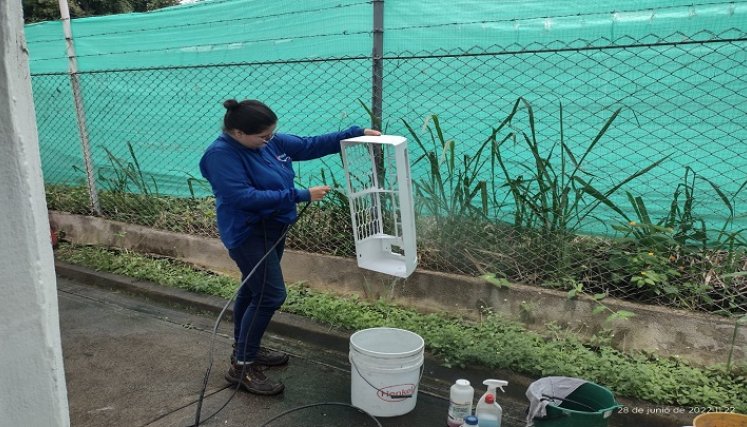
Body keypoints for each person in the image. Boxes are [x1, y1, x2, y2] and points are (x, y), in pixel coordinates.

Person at [199, 99, 381, 395]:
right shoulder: (220, 155)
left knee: (253, 288)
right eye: (263, 136)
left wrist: (354, 133)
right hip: (248, 233)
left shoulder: (269, 143)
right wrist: (300, 195)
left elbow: (309, 145)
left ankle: (246, 350)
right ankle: (242, 367)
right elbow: (242, 197)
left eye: (272, 134)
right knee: (270, 294)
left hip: (274, 228)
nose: (269, 141)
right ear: (237, 133)